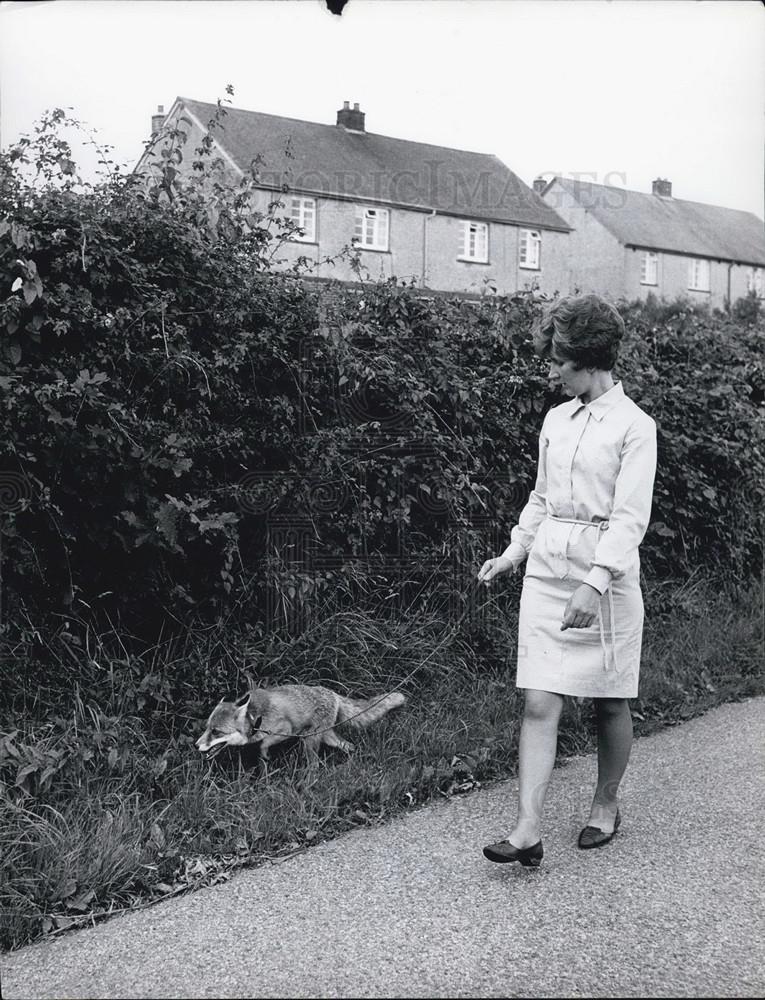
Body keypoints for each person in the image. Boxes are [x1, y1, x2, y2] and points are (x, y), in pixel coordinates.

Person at [477, 293, 657, 867]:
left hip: (605, 579)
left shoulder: (635, 427)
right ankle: (529, 827)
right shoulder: (556, 419)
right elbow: (541, 498)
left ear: (589, 358)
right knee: (537, 700)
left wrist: (595, 582)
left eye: (558, 359)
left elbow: (630, 519)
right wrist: (512, 553)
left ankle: (605, 804)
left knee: (608, 704)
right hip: (548, 573)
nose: (549, 369)